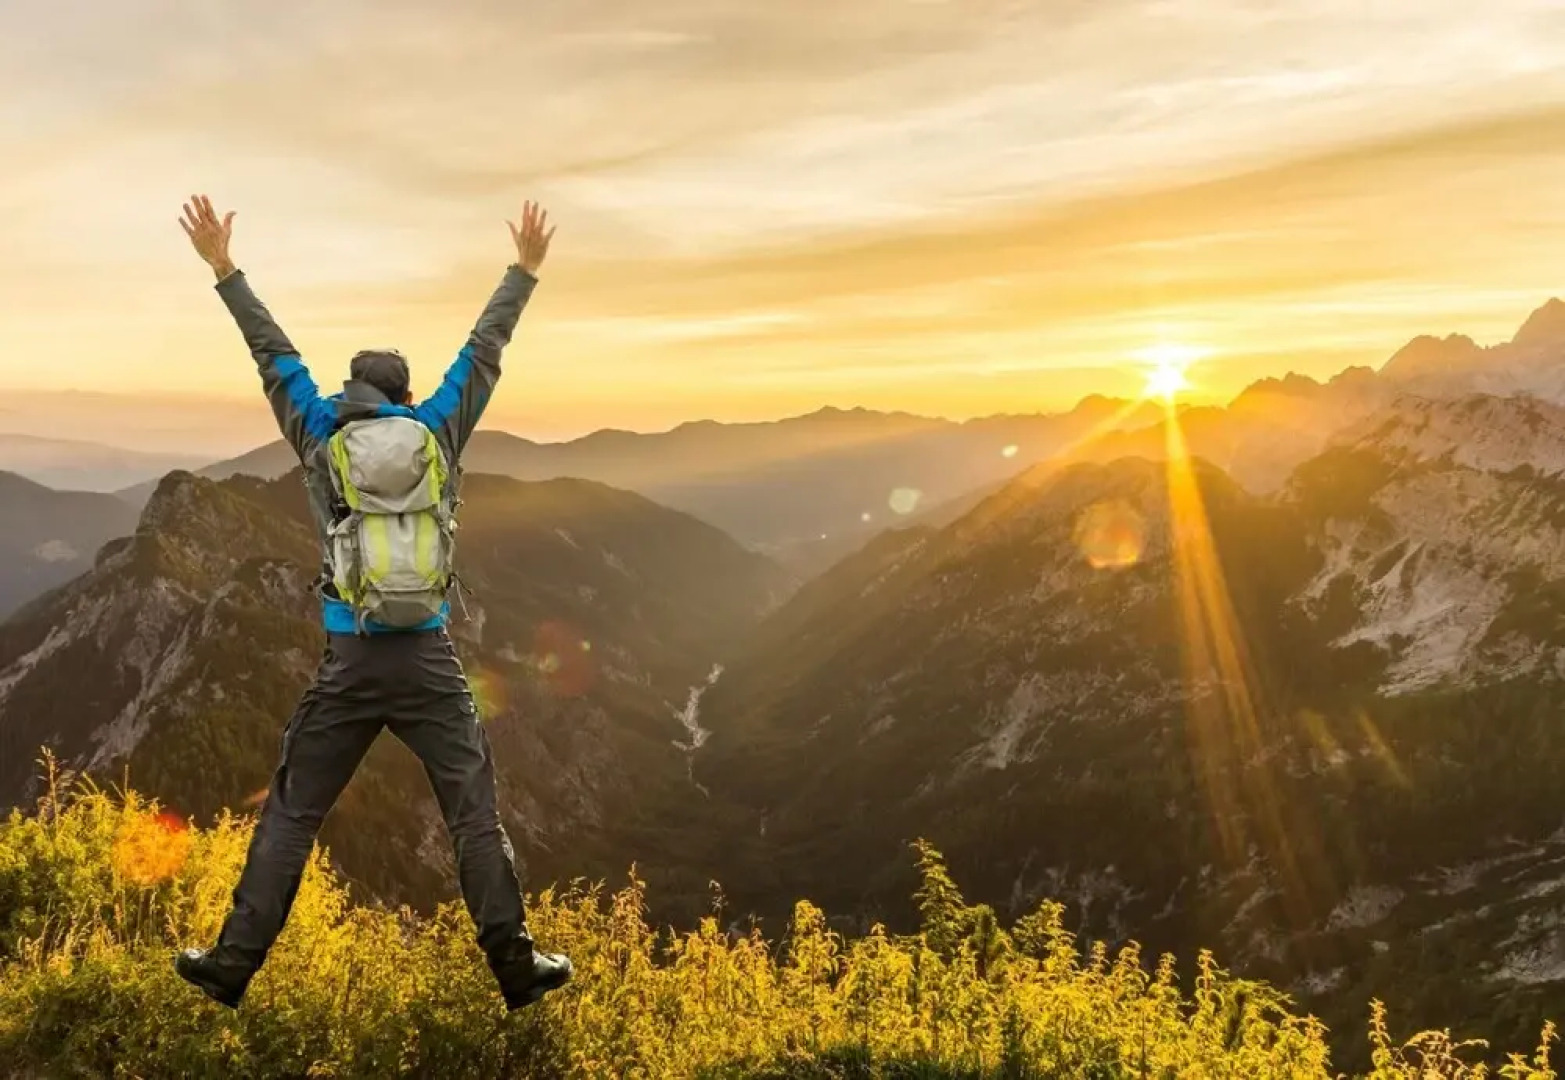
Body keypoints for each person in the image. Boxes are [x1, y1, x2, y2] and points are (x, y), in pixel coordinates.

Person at [170, 193, 571, 1011]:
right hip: (427, 657)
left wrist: (224, 268)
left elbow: (270, 352)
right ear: (403, 394)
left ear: (354, 392)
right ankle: (515, 967)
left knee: (292, 814)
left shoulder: (319, 434)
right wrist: (522, 273)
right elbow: (483, 351)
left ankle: (232, 965)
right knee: (473, 817)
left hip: (349, 662)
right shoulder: (435, 432)